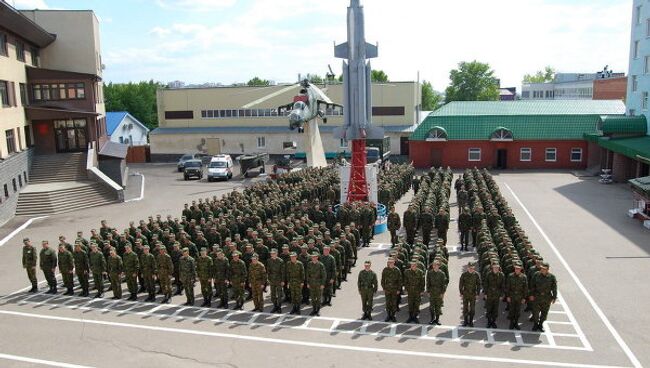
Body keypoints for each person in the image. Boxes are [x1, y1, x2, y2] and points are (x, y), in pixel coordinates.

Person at [530, 262, 557, 332]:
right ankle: (535, 324)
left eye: (544, 269)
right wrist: (531, 295)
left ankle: (540, 324)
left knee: (544, 313)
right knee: (535, 312)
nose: (542, 270)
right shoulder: (536, 275)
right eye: (541, 268)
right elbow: (532, 285)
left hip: (547, 298)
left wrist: (554, 297)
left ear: (547, 269)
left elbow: (554, 288)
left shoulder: (552, 277)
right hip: (537, 297)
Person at [506, 263, 528, 330]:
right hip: (512, 296)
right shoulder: (510, 276)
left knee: (518, 311)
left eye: (518, 269)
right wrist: (508, 296)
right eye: (516, 268)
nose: (517, 270)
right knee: (512, 310)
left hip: (519, 297)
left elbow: (525, 288)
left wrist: (524, 298)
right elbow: (508, 287)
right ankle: (512, 323)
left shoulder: (524, 277)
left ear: (521, 269)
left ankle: (516, 323)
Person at [482, 263, 505, 328]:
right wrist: (485, 294)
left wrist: (501, 295)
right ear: (492, 268)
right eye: (495, 268)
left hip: (497, 295)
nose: (496, 269)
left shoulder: (501, 275)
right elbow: (486, 284)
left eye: (497, 268)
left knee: (495, 309)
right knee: (489, 309)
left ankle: (493, 321)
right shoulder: (489, 274)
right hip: (489, 294)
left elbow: (503, 286)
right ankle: (489, 322)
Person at [459, 262, 481, 327]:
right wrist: (461, 293)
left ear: (474, 268)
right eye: (470, 268)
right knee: (465, 308)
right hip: (465, 294)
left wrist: (478, 293)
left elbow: (479, 284)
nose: (471, 269)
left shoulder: (476, 275)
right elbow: (461, 284)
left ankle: (471, 321)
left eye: (472, 268)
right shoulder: (464, 274)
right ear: (467, 268)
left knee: (472, 309)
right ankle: (465, 321)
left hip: (473, 294)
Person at [426, 260, 448, 325]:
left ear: (439, 266)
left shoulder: (442, 274)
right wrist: (428, 291)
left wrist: (442, 293)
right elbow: (428, 283)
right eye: (434, 265)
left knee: (438, 307)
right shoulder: (430, 273)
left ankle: (437, 320)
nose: (435, 266)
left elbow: (443, 284)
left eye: (436, 265)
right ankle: (432, 319)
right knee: (432, 307)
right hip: (432, 292)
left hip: (439, 292)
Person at [381, 258, 402, 322]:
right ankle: (388, 315)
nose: (390, 264)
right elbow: (382, 280)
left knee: (394, 303)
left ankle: (393, 315)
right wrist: (384, 288)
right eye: (389, 262)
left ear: (394, 263)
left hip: (394, 290)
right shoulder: (385, 270)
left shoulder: (397, 270)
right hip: (387, 289)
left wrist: (398, 289)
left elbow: (400, 281)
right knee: (388, 303)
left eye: (392, 262)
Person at [306, 251, 326, 316]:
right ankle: (314, 309)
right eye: (312, 257)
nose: (313, 258)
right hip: (311, 284)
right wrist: (308, 283)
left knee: (319, 298)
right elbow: (307, 274)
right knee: (313, 297)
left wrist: (322, 284)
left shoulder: (320, 265)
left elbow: (324, 275)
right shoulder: (309, 264)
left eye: (315, 257)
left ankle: (318, 310)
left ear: (317, 257)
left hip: (319, 284)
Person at [267, 248, 285, 313]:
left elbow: (283, 272)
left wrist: (283, 280)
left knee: (279, 294)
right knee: (273, 295)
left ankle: (279, 307)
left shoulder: (280, 261)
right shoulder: (269, 261)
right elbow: (268, 271)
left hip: (279, 280)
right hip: (272, 280)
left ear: (276, 254)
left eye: (274, 253)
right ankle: (275, 306)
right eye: (271, 254)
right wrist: (268, 279)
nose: (272, 255)